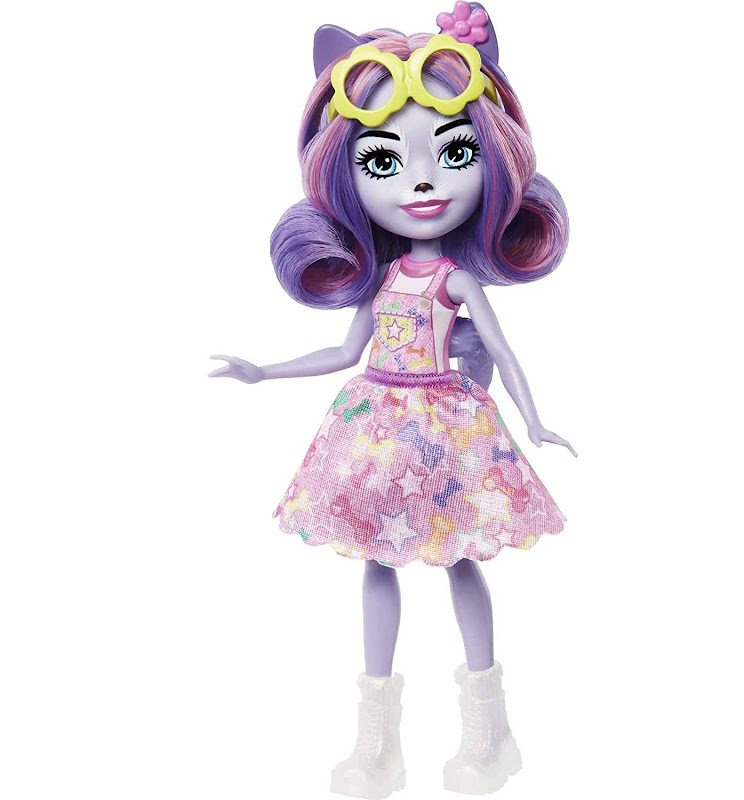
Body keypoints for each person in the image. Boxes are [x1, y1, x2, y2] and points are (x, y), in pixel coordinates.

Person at [210, 4, 575, 796]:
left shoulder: (456, 279)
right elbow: (346, 353)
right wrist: (263, 370)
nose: (422, 180)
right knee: (376, 561)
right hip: (376, 426)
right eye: (384, 161)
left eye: (454, 153)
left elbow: (502, 351)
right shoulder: (379, 280)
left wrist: (534, 418)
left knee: (460, 559)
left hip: (444, 425)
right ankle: (376, 741)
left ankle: (490, 731)